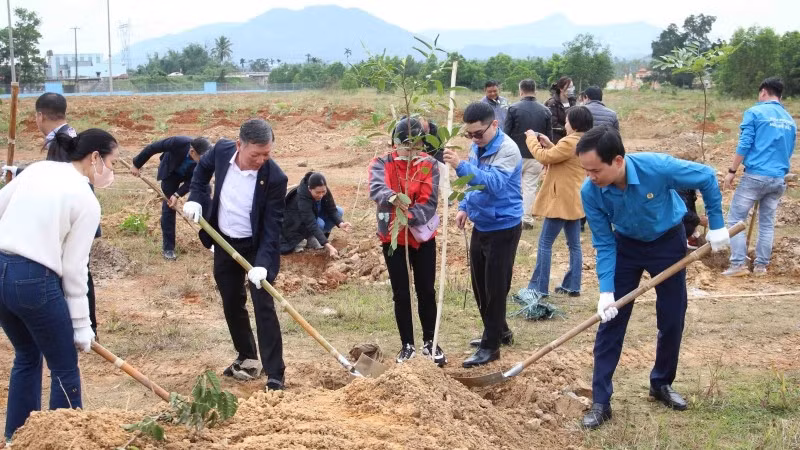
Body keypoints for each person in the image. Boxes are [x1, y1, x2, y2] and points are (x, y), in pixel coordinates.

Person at [577, 126, 730, 430]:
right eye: (586, 170)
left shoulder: (657, 168)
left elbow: (707, 176)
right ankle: (601, 401)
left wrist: (717, 223)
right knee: (611, 321)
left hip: (666, 242)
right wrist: (606, 290)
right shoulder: (590, 191)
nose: (590, 177)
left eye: (595, 170)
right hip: (625, 246)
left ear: (618, 161)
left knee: (672, 317)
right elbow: (604, 242)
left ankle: (661, 383)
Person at [0, 129, 118, 444]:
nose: (112, 171)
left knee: (27, 354)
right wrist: (81, 325)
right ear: (94, 158)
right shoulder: (86, 200)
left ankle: (16, 438)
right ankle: (63, 442)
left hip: (0, 270)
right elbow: (75, 269)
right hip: (32, 279)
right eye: (112, 162)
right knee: (64, 365)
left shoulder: (37, 170)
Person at [182, 119, 289, 391]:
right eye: (256, 154)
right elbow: (201, 170)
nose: (262, 160)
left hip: (256, 246)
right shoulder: (220, 151)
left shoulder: (275, 178)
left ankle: (275, 373)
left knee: (264, 306)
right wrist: (195, 196)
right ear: (239, 145)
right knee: (231, 300)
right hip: (224, 241)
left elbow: (272, 226)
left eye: (267, 154)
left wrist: (263, 265)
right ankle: (247, 357)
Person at [1, 92, 101, 339]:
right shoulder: (70, 135)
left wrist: (21, 173)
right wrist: (20, 171)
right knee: (76, 269)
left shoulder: (64, 140)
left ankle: (84, 327)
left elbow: (59, 176)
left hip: (71, 218)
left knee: (76, 270)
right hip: (72, 215)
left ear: (39, 116)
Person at [443, 102, 522, 368]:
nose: (474, 139)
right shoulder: (477, 147)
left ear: (494, 125)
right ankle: (500, 331)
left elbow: (495, 184)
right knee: (480, 286)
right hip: (482, 224)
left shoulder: (508, 150)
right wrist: (464, 206)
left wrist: (461, 166)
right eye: (470, 134)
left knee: (495, 288)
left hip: (504, 226)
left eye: (478, 134)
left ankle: (491, 347)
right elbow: (471, 185)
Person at [369, 118, 446, 365]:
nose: (412, 153)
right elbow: (377, 187)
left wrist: (408, 217)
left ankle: (430, 343)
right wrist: (392, 198)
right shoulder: (382, 162)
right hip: (392, 237)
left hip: (421, 237)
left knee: (426, 290)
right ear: (395, 143)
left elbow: (429, 201)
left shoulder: (428, 164)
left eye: (418, 147)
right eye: (407, 147)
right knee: (401, 293)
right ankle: (407, 345)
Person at [722, 77, 796, 277]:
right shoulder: (789, 120)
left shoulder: (755, 112)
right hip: (778, 178)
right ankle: (761, 267)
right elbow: (788, 149)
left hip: (755, 176)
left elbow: (744, 144)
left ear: (763, 92)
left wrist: (731, 171)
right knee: (767, 223)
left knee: (736, 218)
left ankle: (738, 264)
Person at [524, 106, 592, 299]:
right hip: (574, 199)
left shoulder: (570, 141)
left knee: (545, 243)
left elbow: (543, 157)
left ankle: (539, 287)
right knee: (574, 245)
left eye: (568, 121)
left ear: (575, 123)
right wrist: (549, 144)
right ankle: (573, 285)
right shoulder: (584, 141)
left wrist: (531, 138)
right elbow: (564, 159)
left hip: (560, 199)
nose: (565, 124)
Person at [131, 136, 212, 260]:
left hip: (193, 176)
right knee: (169, 207)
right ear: (192, 152)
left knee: (206, 200)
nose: (204, 162)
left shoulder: (207, 161)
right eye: (201, 159)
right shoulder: (178, 142)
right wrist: (137, 164)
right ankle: (168, 248)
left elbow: (194, 182)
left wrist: (178, 194)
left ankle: (213, 241)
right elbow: (153, 148)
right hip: (170, 172)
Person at [504, 79, 552, 229]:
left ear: (521, 91)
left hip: (515, 155)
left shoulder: (513, 109)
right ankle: (527, 219)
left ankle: (514, 217)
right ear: (535, 91)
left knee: (514, 186)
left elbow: (505, 134)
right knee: (530, 188)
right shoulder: (546, 111)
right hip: (536, 156)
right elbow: (548, 137)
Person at [280, 171, 352, 258]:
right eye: (317, 193)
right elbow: (311, 223)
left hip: (315, 212)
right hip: (299, 221)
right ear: (310, 189)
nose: (321, 195)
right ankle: (310, 237)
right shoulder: (302, 197)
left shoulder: (323, 190)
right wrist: (328, 246)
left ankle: (317, 237)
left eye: (323, 192)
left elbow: (332, 210)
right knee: (319, 224)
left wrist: (341, 223)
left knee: (339, 211)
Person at [544, 76, 576, 142]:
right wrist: (568, 130)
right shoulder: (552, 103)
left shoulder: (573, 101)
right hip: (557, 140)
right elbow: (553, 124)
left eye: (572, 87)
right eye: (569, 87)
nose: (571, 89)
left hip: (571, 138)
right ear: (561, 89)